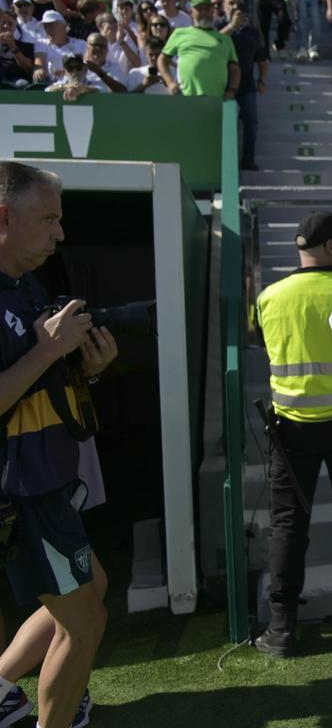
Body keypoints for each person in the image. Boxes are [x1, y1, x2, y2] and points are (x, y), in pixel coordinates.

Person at [0, 162, 115, 728]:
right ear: (3, 217)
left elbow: (36, 382)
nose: (59, 233)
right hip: (21, 492)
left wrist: (87, 368)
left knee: (93, 591)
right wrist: (48, 350)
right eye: (48, 219)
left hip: (44, 480)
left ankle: (2, 686)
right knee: (84, 621)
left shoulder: (26, 285)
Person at [251, 211, 332, 658]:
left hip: (291, 429)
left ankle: (282, 629)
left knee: (288, 527)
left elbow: (262, 343)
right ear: (328, 246)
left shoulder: (268, 297)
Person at [218, 0, 267, 171]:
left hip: (246, 86)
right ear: (223, 6)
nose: (235, 7)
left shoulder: (252, 31)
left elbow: (262, 59)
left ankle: (248, 159)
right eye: (231, 3)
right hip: (222, 85)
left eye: (238, 4)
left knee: (251, 122)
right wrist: (231, 26)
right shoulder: (217, 25)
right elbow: (213, 44)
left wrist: (262, 80)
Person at [157, 0, 239, 98]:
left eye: (207, 9)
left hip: (218, 99)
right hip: (186, 97)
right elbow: (162, 60)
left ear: (212, 11)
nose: (204, 12)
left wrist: (232, 90)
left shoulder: (225, 39)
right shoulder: (179, 33)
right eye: (199, 9)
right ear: (191, 12)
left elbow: (234, 69)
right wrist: (170, 83)